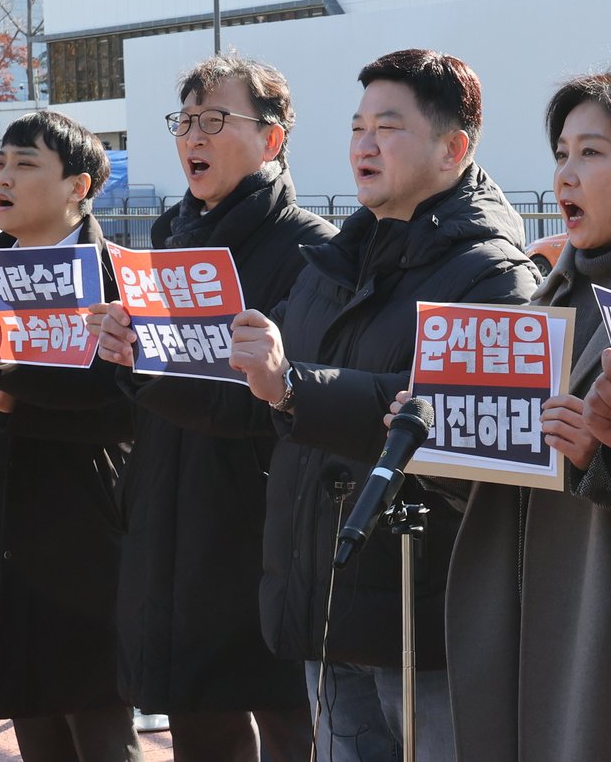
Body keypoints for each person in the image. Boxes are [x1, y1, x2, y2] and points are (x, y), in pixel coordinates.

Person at [386, 62, 611, 762]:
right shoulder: (554, 295)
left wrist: (607, 460)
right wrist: (440, 443)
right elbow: (512, 479)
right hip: (524, 625)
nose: (565, 176)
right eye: (560, 155)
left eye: (591, 153)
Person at [227, 48, 539, 762]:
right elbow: (270, 391)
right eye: (358, 126)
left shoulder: (493, 276)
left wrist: (294, 386)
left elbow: (444, 415)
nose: (364, 144)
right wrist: (133, 357)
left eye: (388, 127)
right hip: (329, 601)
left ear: (454, 148)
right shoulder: (336, 261)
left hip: (423, 624)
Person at [88, 53, 335, 762]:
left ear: (272, 139)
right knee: (201, 720)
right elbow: (145, 396)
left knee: (293, 724)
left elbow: (274, 402)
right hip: (172, 519)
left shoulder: (313, 251)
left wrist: (150, 374)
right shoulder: (167, 239)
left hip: (263, 525)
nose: (193, 136)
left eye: (215, 119)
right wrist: (120, 353)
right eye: (185, 121)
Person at [0, 111, 142, 760]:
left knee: (96, 724)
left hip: (85, 532)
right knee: (33, 721)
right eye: (0, 163)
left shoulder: (118, 279)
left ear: (77, 187)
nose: (3, 178)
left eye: (25, 164)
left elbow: (127, 411)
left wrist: (12, 393)